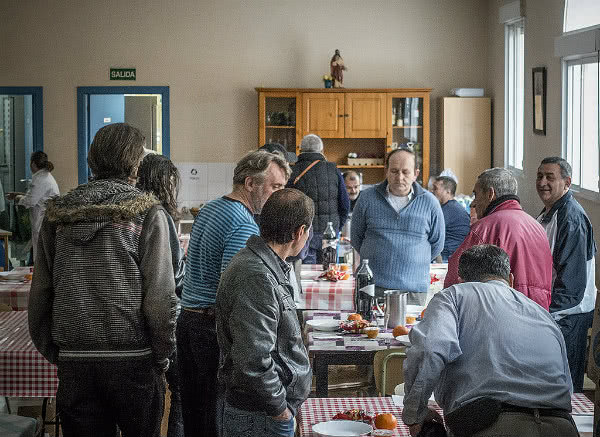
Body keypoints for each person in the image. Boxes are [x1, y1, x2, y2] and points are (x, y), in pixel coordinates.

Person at [28, 123, 177, 437]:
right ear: (135, 165)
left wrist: (58, 351)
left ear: (91, 161)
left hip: (75, 360)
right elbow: (161, 301)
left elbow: (41, 292)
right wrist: (162, 355)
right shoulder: (148, 213)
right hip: (133, 358)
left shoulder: (57, 216)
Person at [403, 244, 577, 437]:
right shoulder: (543, 314)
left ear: (462, 280)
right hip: (562, 426)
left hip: (493, 425)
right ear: (510, 279)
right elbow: (566, 387)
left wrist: (415, 414)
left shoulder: (454, 296)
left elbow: (429, 350)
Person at [178, 150, 290, 436]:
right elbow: (237, 293)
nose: (278, 196)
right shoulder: (242, 223)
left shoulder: (213, 208)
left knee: (194, 415)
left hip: (188, 322)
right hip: (209, 329)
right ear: (250, 183)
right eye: (274, 186)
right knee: (215, 419)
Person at [216, 188, 313, 437]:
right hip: (259, 416)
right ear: (299, 232)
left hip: (264, 411)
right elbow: (253, 358)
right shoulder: (256, 275)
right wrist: (280, 409)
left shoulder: (265, 265)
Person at [444, 168, 553, 310]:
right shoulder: (537, 227)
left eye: (476, 195)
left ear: (490, 194)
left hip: (501, 313)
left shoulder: (485, 228)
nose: (473, 203)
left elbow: (455, 279)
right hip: (537, 314)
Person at [535, 157, 596, 392]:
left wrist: (542, 314)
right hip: (554, 314)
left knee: (564, 389)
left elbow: (572, 287)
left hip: (567, 317)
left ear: (567, 182)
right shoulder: (548, 213)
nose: (542, 182)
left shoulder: (572, 218)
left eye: (550, 177)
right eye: (540, 176)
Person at [351, 147, 444, 301]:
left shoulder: (430, 203)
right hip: (372, 287)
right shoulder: (367, 198)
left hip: (414, 291)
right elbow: (356, 238)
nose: (399, 177)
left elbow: (437, 244)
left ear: (416, 174)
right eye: (394, 171)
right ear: (386, 171)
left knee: (411, 326)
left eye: (405, 172)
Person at [136, 153, 185, 437]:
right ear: (164, 181)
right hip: (164, 316)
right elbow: (171, 274)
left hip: (135, 319)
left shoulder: (135, 211)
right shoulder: (159, 214)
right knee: (179, 390)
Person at [287, 134, 350, 264]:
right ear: (321, 150)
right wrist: (337, 227)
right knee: (330, 271)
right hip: (330, 232)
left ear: (300, 150)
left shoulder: (293, 171)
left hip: (303, 234)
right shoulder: (333, 170)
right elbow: (344, 204)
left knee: (305, 274)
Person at [7, 151, 59, 263]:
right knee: (40, 253)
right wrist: (18, 194)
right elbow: (36, 196)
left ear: (33, 164)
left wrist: (18, 198)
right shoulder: (45, 176)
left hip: (42, 221)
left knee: (41, 256)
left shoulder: (40, 179)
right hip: (44, 221)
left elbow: (30, 201)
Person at [431, 175, 470, 262]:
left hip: (448, 257)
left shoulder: (450, 209)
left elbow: (430, 231)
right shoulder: (451, 207)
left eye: (435, 188)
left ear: (448, 191)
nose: (432, 191)